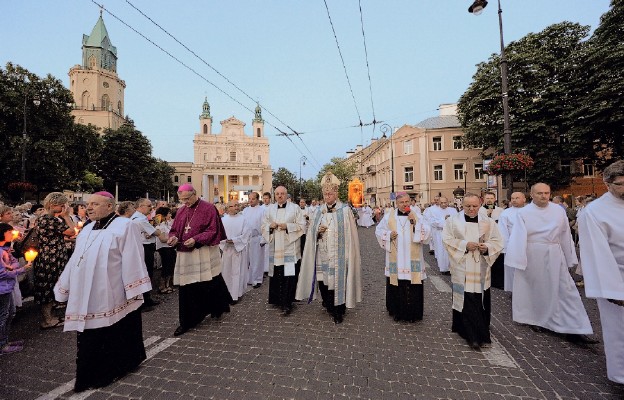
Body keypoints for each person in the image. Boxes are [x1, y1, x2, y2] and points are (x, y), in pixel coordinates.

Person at [54, 191, 152, 392]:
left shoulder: (126, 226)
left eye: (95, 204)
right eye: (88, 204)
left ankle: (108, 371)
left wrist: (133, 289)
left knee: (112, 332)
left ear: (109, 206)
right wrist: (64, 287)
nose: (88, 207)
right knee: (89, 335)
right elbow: (75, 260)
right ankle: (86, 375)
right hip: (85, 293)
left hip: (111, 290)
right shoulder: (88, 228)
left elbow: (133, 257)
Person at [505, 183, 596, 344]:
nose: (544, 196)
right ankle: (537, 319)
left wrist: (569, 257)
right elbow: (518, 237)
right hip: (532, 254)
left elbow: (565, 235)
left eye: (547, 193)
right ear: (531, 195)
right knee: (538, 289)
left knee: (566, 290)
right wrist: (517, 260)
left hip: (554, 253)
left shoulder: (558, 211)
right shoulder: (524, 213)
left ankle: (576, 327)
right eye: (539, 193)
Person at [577, 160, 624, 384]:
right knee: (620, 330)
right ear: (607, 184)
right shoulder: (595, 212)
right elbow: (597, 253)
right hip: (617, 276)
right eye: (621, 184)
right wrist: (613, 290)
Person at [296, 172, 362, 323]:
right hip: (323, 253)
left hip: (340, 254)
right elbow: (311, 231)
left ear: (336, 194)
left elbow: (352, 234)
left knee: (338, 281)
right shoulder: (318, 211)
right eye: (325, 194)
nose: (327, 197)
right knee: (324, 280)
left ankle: (339, 310)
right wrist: (316, 232)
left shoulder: (345, 211)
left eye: (330, 194)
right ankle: (328, 304)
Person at [167, 184, 231, 336]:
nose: (185, 202)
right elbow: (175, 230)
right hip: (185, 254)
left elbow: (213, 230)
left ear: (194, 194)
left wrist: (196, 239)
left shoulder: (208, 208)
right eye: (182, 200)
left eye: (187, 199)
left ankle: (216, 308)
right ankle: (187, 321)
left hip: (203, 251)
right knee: (187, 287)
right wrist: (173, 238)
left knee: (209, 282)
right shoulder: (181, 210)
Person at [443, 193, 503, 351]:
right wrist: (464, 245)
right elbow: (447, 240)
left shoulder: (488, 222)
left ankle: (481, 332)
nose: (471, 209)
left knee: (480, 299)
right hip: (463, 266)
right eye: (467, 206)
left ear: (480, 204)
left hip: (481, 267)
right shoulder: (453, 221)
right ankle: (471, 336)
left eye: (474, 206)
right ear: (462, 205)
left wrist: (487, 248)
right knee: (466, 299)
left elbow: (498, 241)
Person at [375, 192, 430, 322]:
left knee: (413, 285)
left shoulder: (416, 215)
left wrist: (415, 222)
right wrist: (388, 235)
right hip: (397, 258)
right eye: (401, 202)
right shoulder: (389, 216)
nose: (405, 204)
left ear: (410, 202)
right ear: (397, 203)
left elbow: (427, 231)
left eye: (407, 202)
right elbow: (378, 231)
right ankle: (397, 312)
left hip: (413, 259)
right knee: (397, 284)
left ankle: (414, 314)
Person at [262, 186, 305, 316]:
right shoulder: (269, 209)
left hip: (289, 248)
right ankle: (277, 299)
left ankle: (287, 302)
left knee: (289, 275)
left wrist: (288, 227)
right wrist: (270, 226)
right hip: (275, 248)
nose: (280, 196)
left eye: (282, 194)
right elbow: (263, 225)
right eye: (277, 194)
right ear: (274, 195)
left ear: (286, 195)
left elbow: (302, 226)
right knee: (277, 274)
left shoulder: (295, 208)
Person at [34, 192, 75, 329]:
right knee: (48, 288)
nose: (65, 208)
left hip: (50, 256)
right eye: (62, 206)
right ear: (53, 205)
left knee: (50, 287)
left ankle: (49, 317)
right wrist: (66, 216)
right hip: (51, 258)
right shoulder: (48, 219)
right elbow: (71, 231)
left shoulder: (44, 218)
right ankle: (47, 320)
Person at [0, 223, 32, 354]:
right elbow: (2, 273)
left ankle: (5, 340)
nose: (12, 235)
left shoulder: (5, 249)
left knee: (11, 313)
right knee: (3, 316)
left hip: (7, 287)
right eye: (9, 232)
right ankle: (2, 345)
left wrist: (13, 266)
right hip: (2, 288)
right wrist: (21, 270)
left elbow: (14, 262)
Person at [131, 199, 163, 310]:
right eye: (149, 206)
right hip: (144, 248)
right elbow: (156, 232)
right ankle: (144, 300)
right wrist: (157, 233)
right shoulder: (140, 220)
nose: (151, 208)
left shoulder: (140, 218)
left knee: (148, 272)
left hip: (144, 246)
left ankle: (147, 298)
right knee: (146, 273)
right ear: (140, 206)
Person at [220, 201, 250, 303]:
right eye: (233, 206)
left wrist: (235, 240)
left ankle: (236, 295)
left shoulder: (243, 219)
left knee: (237, 272)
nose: (236, 207)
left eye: (237, 205)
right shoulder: (223, 220)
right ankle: (226, 294)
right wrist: (225, 241)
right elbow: (219, 234)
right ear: (228, 208)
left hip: (238, 250)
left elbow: (246, 233)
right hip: (227, 249)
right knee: (226, 272)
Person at [497, 192, 526, 292]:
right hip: (512, 246)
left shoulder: (530, 211)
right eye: (512, 198)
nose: (514, 200)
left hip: (528, 245)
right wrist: (505, 247)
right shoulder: (506, 213)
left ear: (524, 199)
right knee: (513, 270)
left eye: (517, 198)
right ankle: (514, 291)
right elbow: (502, 231)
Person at [429, 197, 458, 275]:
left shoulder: (453, 210)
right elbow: (433, 222)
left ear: (448, 202)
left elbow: (457, 220)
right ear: (439, 202)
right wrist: (444, 219)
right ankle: (444, 268)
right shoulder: (433, 211)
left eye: (445, 202)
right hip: (440, 233)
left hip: (451, 234)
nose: (444, 204)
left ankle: (452, 267)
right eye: (442, 203)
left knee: (451, 251)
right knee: (442, 251)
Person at [242, 192, 265, 288]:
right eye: (249, 198)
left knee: (257, 260)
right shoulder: (245, 211)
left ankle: (257, 279)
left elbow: (264, 225)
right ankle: (248, 278)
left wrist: (263, 239)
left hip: (257, 238)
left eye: (253, 199)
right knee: (247, 260)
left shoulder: (262, 210)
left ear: (257, 200)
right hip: (247, 238)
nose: (250, 200)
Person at [154, 206, 175, 294]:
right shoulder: (160, 225)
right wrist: (173, 239)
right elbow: (162, 238)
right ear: (165, 215)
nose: (170, 214)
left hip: (170, 247)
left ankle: (168, 285)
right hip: (164, 248)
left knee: (170, 266)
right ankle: (162, 286)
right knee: (166, 266)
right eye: (169, 213)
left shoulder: (167, 224)